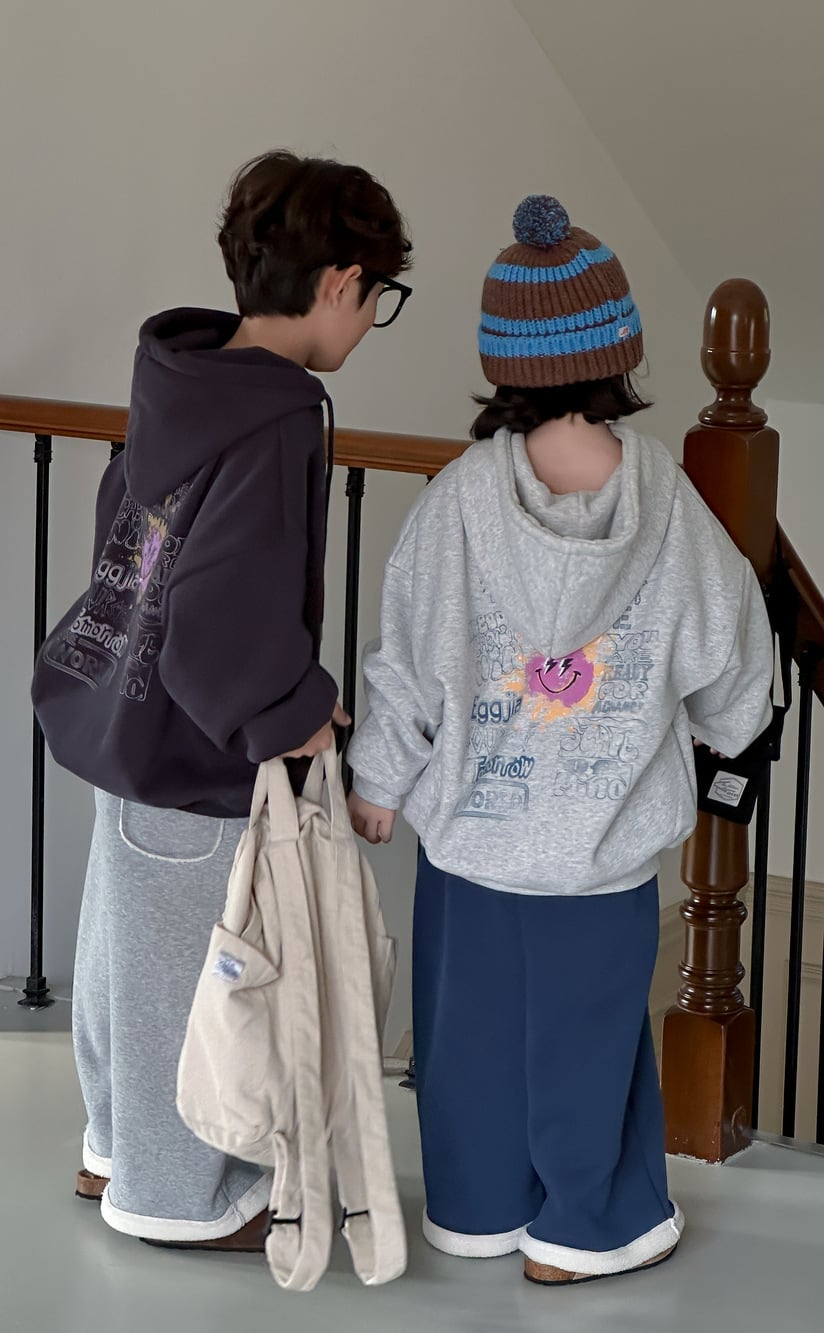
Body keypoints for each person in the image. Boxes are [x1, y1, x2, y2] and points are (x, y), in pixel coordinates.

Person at [347, 195, 773, 1285]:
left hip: (472, 845)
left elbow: (408, 656)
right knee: (588, 1044)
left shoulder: (455, 505)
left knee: (469, 1042)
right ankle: (582, 1230)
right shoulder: (670, 509)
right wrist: (731, 731)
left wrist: (380, 778)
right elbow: (731, 650)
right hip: (601, 851)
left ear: (503, 362)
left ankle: (478, 1210)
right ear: (618, 353)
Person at [31, 150, 411, 1251]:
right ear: (339, 282)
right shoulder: (275, 418)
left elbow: (145, 551)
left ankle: (112, 1148)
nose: (369, 322)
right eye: (377, 298)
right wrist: (294, 711)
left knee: (119, 957)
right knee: (181, 981)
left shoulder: (183, 381)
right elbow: (222, 614)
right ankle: (175, 1197)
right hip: (195, 752)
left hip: (121, 714)